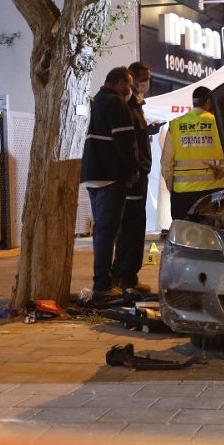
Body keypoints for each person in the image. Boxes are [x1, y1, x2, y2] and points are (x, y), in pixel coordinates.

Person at [80, 67, 138, 302]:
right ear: (121, 82)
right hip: (111, 176)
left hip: (94, 174)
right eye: (130, 85)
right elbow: (124, 142)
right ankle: (103, 285)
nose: (131, 90)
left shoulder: (96, 101)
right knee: (106, 232)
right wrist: (133, 170)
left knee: (102, 231)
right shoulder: (115, 103)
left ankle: (104, 282)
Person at [112, 62, 159, 294]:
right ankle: (126, 276)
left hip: (137, 173)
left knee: (132, 226)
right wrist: (136, 169)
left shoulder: (136, 106)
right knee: (131, 226)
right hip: (133, 176)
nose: (146, 83)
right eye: (143, 78)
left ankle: (125, 275)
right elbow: (127, 143)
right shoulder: (127, 106)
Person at [163, 85, 224, 223]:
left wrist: (173, 189)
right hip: (215, 192)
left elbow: (166, 163)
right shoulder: (220, 123)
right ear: (209, 102)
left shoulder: (176, 124)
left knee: (184, 236)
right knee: (213, 236)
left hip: (183, 194)